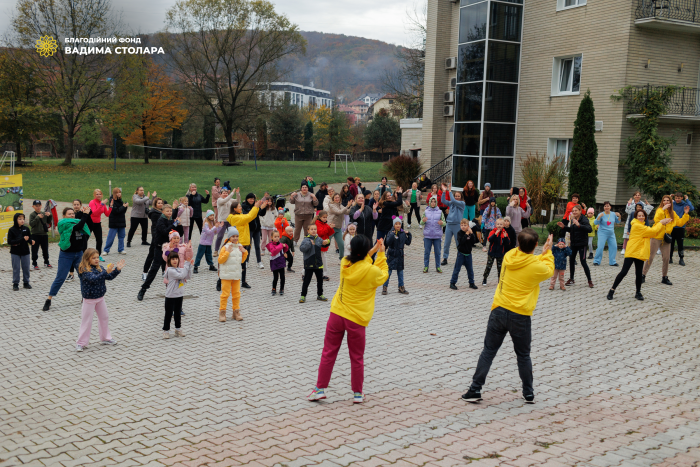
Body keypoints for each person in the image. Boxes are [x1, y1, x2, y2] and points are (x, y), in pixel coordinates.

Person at [462, 230, 554, 404]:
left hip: (498, 310)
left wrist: (540, 254)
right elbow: (547, 270)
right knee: (523, 355)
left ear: (518, 243)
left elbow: (530, 261)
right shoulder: (536, 266)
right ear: (535, 246)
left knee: (488, 351)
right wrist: (547, 252)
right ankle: (528, 392)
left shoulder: (509, 255)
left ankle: (475, 389)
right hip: (520, 316)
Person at [308, 235, 388, 404]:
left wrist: (372, 249)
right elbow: (383, 275)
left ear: (351, 248)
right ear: (365, 252)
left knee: (328, 352)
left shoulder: (345, 262)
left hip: (337, 314)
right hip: (357, 319)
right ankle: (358, 393)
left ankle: (319, 389)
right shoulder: (371, 271)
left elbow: (361, 258)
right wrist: (380, 254)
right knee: (357, 357)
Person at [608, 211, 672, 301]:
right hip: (632, 251)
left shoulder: (644, 226)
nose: (641, 217)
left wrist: (662, 224)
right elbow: (652, 231)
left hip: (640, 253)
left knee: (638, 274)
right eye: (639, 216)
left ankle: (638, 292)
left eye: (643, 216)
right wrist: (661, 223)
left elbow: (653, 233)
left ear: (645, 217)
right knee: (624, 272)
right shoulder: (636, 225)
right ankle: (612, 290)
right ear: (636, 217)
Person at [42, 206, 92, 311]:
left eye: (73, 213)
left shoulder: (77, 221)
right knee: (60, 278)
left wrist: (87, 214)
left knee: (84, 276)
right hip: (66, 255)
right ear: (64, 216)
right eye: (69, 214)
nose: (72, 215)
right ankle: (49, 299)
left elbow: (86, 226)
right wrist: (85, 215)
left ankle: (85, 297)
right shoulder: (63, 223)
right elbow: (78, 226)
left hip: (79, 254)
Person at [75, 249, 123, 351]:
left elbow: (108, 277)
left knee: (104, 317)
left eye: (97, 257)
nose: (97, 260)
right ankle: (81, 343)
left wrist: (117, 270)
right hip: (89, 299)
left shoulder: (99, 268)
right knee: (86, 321)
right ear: (87, 259)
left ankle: (106, 338)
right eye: (94, 258)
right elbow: (94, 279)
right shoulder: (84, 270)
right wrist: (106, 272)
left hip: (100, 298)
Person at [137, 204, 184, 301]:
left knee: (171, 269)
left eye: (170, 211)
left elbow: (179, 234)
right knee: (154, 269)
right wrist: (175, 224)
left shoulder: (172, 220)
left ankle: (172, 292)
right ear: (163, 212)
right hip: (159, 248)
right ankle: (143, 289)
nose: (169, 213)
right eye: (167, 211)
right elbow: (165, 231)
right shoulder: (160, 220)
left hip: (170, 248)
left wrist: (179, 225)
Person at [642, 195, 690, 285]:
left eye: (668, 200)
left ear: (671, 202)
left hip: (666, 237)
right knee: (650, 257)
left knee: (666, 258)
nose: (666, 202)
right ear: (662, 202)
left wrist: (686, 214)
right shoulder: (659, 210)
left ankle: (664, 277)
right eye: (664, 200)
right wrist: (662, 209)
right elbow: (656, 219)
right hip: (656, 236)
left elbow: (679, 223)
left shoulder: (673, 213)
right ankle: (643, 275)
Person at [225, 198, 262, 290]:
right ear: (234, 209)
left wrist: (258, 208)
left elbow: (251, 217)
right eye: (239, 206)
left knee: (243, 263)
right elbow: (249, 217)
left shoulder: (240, 215)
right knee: (233, 263)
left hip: (245, 243)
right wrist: (255, 207)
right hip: (239, 244)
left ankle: (243, 282)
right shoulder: (235, 218)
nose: (241, 207)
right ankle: (220, 281)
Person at [557, 205, 594, 288]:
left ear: (580, 211)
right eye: (573, 211)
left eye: (576, 210)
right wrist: (564, 227)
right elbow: (572, 230)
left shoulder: (584, 219)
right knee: (571, 261)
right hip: (573, 244)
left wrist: (579, 225)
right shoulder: (573, 219)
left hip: (582, 244)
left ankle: (589, 280)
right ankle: (571, 279)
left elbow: (589, 229)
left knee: (583, 261)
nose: (574, 212)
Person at [217, 226, 248, 322]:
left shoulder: (239, 246)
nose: (235, 238)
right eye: (233, 236)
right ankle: (222, 312)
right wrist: (227, 252)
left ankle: (236, 312)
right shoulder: (225, 247)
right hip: (226, 276)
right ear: (229, 237)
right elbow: (220, 260)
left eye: (237, 236)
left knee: (236, 294)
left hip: (236, 275)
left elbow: (241, 261)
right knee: (225, 294)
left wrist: (245, 252)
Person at [162, 252, 193, 338]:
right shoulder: (170, 270)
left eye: (176, 259)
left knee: (177, 313)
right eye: (173, 259)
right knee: (168, 313)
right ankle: (166, 330)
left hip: (179, 295)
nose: (175, 261)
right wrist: (187, 264)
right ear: (169, 260)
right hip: (170, 296)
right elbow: (182, 275)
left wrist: (190, 266)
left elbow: (188, 276)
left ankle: (178, 329)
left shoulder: (180, 269)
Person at [382, 217, 411, 295]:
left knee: (400, 272)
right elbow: (387, 242)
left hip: (400, 255)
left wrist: (409, 234)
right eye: (396, 224)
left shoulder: (402, 233)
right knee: (389, 272)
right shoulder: (390, 232)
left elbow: (408, 242)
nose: (398, 225)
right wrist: (392, 234)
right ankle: (385, 287)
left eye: (399, 224)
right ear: (393, 225)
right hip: (391, 254)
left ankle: (401, 287)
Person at [299, 223, 327, 303]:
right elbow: (302, 249)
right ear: (308, 231)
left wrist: (326, 242)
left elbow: (324, 245)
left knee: (320, 280)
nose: (313, 231)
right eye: (312, 229)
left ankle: (320, 295)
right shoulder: (306, 240)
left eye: (315, 229)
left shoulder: (318, 239)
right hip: (309, 263)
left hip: (318, 263)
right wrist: (309, 244)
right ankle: (303, 296)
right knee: (307, 281)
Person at [449, 218, 478, 291]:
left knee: (470, 270)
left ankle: (471, 283)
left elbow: (473, 242)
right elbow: (461, 241)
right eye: (462, 225)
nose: (463, 226)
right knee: (457, 269)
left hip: (468, 254)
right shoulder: (459, 233)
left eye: (465, 225)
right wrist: (466, 234)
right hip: (461, 254)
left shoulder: (470, 233)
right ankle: (452, 283)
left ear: (468, 226)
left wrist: (471, 234)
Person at [440, 182, 465, 266]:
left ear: (461, 197)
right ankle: (445, 258)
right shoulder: (451, 203)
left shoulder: (462, 204)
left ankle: (460, 259)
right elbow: (443, 200)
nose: (457, 197)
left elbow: (453, 200)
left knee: (458, 243)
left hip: (457, 225)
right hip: (449, 225)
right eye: (456, 196)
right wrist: (444, 192)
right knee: (447, 243)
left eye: (458, 196)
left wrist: (449, 191)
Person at [8, 212, 33, 291]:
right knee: (16, 268)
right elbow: (10, 241)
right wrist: (22, 239)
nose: (22, 220)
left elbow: (29, 238)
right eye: (20, 219)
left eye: (23, 219)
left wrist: (31, 241)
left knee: (26, 267)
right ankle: (15, 283)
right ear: (16, 220)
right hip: (15, 252)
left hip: (25, 251)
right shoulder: (11, 230)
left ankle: (26, 282)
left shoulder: (26, 228)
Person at [593, 202, 621, 267]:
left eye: (608, 206)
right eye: (605, 206)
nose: (606, 207)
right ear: (604, 207)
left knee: (614, 247)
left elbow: (618, 221)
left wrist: (619, 216)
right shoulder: (601, 214)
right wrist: (599, 217)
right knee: (600, 247)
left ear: (610, 207)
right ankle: (596, 261)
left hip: (611, 234)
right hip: (602, 233)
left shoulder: (613, 214)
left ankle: (612, 262)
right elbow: (595, 222)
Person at [482, 218, 509, 286]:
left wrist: (505, 238)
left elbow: (507, 243)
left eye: (501, 224)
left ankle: (500, 281)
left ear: (503, 225)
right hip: (492, 252)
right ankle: (485, 278)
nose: (499, 225)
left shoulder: (504, 233)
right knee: (488, 266)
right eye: (498, 224)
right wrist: (495, 234)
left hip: (500, 253)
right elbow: (489, 240)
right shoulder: (493, 231)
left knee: (500, 268)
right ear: (495, 225)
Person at [420, 197, 444, 273]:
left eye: (434, 202)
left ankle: (438, 267)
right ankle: (426, 266)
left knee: (438, 252)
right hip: (427, 235)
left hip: (437, 236)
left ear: (436, 203)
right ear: (429, 202)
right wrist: (423, 221)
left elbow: (444, 222)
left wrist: (442, 223)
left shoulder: (440, 212)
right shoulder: (426, 211)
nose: (433, 203)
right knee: (427, 252)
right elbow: (421, 223)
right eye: (432, 201)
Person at [670, 192, 694, 265]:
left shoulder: (684, 204)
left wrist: (687, 199)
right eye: (676, 198)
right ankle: (670, 258)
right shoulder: (672, 204)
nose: (677, 199)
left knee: (680, 244)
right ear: (674, 198)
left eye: (679, 198)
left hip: (680, 228)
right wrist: (669, 197)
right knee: (671, 244)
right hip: (672, 227)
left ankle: (681, 259)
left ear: (681, 198)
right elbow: (664, 206)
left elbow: (692, 208)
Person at [103, 188, 128, 256]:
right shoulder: (112, 200)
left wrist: (125, 207)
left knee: (122, 236)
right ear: (114, 193)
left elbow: (122, 212)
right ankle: (106, 250)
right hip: (114, 221)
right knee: (111, 237)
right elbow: (115, 211)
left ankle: (121, 249)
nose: (119, 194)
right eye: (117, 192)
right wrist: (123, 206)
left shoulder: (120, 200)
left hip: (121, 221)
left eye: (119, 192)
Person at [240, 193, 263, 268]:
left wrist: (264, 207)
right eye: (250, 198)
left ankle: (259, 262)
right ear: (247, 199)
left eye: (253, 199)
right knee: (248, 246)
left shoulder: (255, 206)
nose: (251, 200)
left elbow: (261, 213)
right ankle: (246, 261)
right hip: (248, 229)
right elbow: (249, 215)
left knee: (257, 246)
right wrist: (256, 207)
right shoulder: (244, 206)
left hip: (257, 229)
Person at [142, 197, 163, 279]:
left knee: (164, 255)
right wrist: (155, 237)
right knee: (151, 255)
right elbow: (154, 227)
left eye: (161, 203)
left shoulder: (162, 212)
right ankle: (144, 272)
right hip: (156, 237)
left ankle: (164, 271)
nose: (160, 204)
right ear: (155, 204)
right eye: (159, 203)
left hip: (163, 237)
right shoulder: (154, 213)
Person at [328, 193, 353, 261]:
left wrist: (351, 206)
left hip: (338, 228)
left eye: (338, 197)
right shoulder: (331, 205)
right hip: (331, 227)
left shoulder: (340, 205)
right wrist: (347, 206)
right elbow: (339, 212)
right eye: (335, 198)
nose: (337, 199)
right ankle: (320, 256)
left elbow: (347, 212)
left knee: (341, 244)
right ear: (333, 198)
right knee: (326, 243)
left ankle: (341, 259)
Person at [214, 187, 240, 254]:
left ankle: (233, 249)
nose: (225, 194)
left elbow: (238, 201)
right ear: (220, 194)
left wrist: (237, 193)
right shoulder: (219, 200)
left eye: (226, 193)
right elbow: (225, 200)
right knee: (220, 236)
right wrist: (232, 193)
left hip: (230, 221)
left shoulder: (230, 200)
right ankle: (216, 250)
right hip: (222, 221)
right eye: (224, 193)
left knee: (232, 235)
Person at [89, 189, 112, 261]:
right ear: (94, 195)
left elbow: (107, 214)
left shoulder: (103, 204)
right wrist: (101, 205)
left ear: (102, 195)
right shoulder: (92, 202)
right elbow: (94, 213)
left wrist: (111, 206)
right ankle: (83, 255)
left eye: (100, 194)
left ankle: (98, 256)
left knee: (99, 240)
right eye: (97, 194)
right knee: (85, 239)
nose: (99, 195)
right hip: (90, 223)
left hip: (97, 224)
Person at [29, 200, 52, 269]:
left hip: (44, 234)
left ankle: (46, 262)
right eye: (36, 206)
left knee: (45, 249)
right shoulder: (32, 215)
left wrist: (49, 215)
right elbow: (31, 224)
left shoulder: (44, 213)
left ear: (41, 206)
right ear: (33, 207)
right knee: (35, 249)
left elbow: (48, 221)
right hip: (35, 234)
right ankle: (34, 263)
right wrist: (37, 217)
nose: (38, 207)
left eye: (39, 206)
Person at [266, 230, 289, 296]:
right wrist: (282, 245)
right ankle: (274, 288)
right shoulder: (270, 244)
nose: (277, 238)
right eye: (275, 236)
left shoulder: (280, 244)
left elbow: (286, 249)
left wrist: (285, 246)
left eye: (278, 236)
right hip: (274, 263)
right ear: (271, 237)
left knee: (282, 277)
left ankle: (282, 288)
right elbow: (274, 250)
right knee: (275, 277)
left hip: (281, 262)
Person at [314, 210, 336, 280]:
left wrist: (331, 228)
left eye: (326, 217)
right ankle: (304, 272)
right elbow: (320, 232)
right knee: (314, 260)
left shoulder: (325, 224)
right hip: (318, 245)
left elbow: (329, 233)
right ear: (319, 217)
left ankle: (324, 274)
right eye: (324, 217)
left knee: (323, 260)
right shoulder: (317, 223)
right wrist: (328, 227)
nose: (325, 219)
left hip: (324, 245)